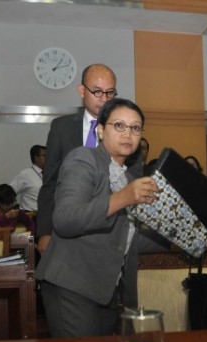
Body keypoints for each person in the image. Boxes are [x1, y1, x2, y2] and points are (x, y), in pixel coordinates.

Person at [36, 98, 158, 338]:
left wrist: (184, 236)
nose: (128, 134)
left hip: (107, 291)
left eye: (135, 128)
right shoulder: (84, 159)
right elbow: (65, 219)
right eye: (119, 125)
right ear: (100, 130)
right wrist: (122, 198)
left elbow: (127, 239)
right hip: (71, 285)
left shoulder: (128, 178)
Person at [36, 64, 142, 254]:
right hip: (67, 228)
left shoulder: (127, 135)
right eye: (97, 92)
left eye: (110, 93)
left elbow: (134, 184)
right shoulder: (62, 128)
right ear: (82, 90)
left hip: (112, 232)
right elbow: (50, 182)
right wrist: (44, 231)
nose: (104, 99)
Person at [9, 145, 46, 212]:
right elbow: (8, 193)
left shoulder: (51, 174)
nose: (49, 158)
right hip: (31, 215)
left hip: (49, 214)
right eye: (45, 155)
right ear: (36, 158)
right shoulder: (25, 174)